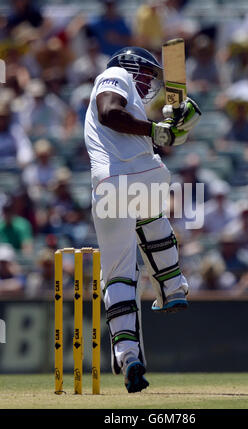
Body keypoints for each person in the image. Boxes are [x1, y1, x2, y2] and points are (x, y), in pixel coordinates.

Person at [84, 46, 201, 393]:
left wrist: (168, 127)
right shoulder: (114, 75)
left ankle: (127, 354)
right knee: (153, 224)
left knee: (118, 271)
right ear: (130, 66)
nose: (150, 81)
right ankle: (172, 287)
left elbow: (134, 126)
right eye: (147, 73)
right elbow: (108, 112)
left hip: (112, 184)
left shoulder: (134, 101)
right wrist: (159, 131)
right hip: (144, 175)